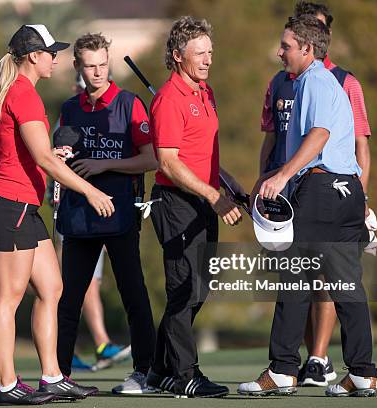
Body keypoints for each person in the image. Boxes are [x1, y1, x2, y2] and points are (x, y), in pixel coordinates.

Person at [238, 15, 377, 397]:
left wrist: (282, 175)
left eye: (286, 46)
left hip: (321, 190)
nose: (280, 52)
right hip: (346, 191)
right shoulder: (317, 82)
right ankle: (363, 373)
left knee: (294, 275)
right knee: (346, 284)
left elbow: (319, 135)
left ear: (307, 49)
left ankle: (283, 369)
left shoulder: (314, 81)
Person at [0, 24, 114, 405]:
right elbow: (38, 156)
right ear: (33, 57)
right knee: (8, 296)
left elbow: (1, 152)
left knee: (52, 288)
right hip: (12, 206)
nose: (55, 58)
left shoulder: (10, 93)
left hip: (23, 205)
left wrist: (42, 162)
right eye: (50, 52)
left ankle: (52, 376)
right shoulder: (23, 94)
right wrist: (89, 190)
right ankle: (6, 386)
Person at [145, 16, 243, 398]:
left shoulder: (205, 92)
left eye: (210, 53)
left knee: (202, 287)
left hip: (205, 197)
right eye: (199, 53)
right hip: (176, 202)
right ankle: (185, 374)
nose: (207, 60)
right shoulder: (168, 99)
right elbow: (167, 162)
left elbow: (202, 154)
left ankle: (157, 369)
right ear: (177, 56)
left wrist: (227, 184)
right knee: (184, 290)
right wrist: (213, 195)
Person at [54, 33, 157, 394]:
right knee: (67, 299)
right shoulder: (69, 108)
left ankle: (145, 370)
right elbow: (61, 155)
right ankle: (58, 375)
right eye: (89, 66)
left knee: (134, 294)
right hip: (79, 216)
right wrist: (60, 158)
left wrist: (103, 164)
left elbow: (151, 159)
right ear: (77, 66)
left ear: (108, 63)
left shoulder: (129, 104)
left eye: (102, 65)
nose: (97, 72)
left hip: (119, 214)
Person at [48, 74, 131, 372]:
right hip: (72, 216)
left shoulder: (109, 114)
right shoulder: (68, 119)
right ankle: (84, 349)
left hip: (94, 216)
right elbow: (55, 169)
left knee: (87, 284)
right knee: (70, 287)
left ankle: (94, 345)